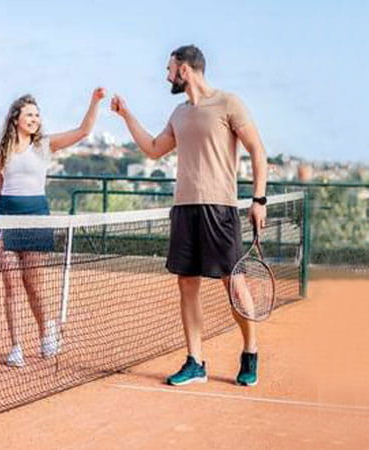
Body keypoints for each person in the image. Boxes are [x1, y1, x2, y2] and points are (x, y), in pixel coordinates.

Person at [110, 45, 268, 386]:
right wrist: (126, 116)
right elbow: (154, 149)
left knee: (234, 284)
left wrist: (259, 199)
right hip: (184, 209)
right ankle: (195, 361)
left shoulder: (228, 103)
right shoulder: (178, 113)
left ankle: (250, 351)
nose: (167, 76)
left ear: (184, 69)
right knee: (186, 284)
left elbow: (258, 150)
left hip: (220, 209)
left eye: (170, 69)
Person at [0, 88, 106, 367]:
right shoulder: (2, 149)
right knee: (11, 286)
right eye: (29, 114)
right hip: (6, 219)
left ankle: (46, 333)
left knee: (34, 286)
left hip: (37, 218)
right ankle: (15, 347)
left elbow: (83, 131)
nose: (34, 119)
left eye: (37, 115)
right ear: (15, 119)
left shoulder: (45, 145)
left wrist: (95, 101)